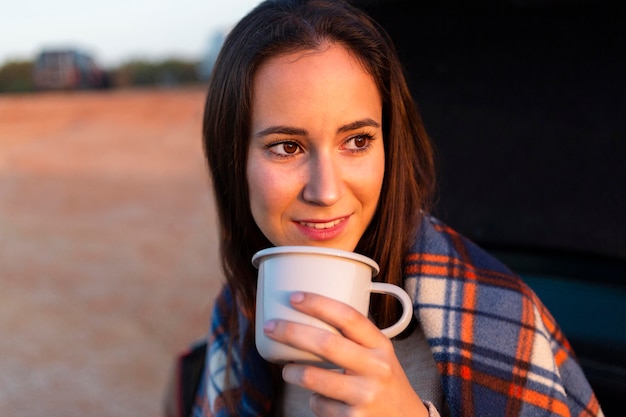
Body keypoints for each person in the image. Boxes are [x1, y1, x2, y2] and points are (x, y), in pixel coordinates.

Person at [188, 0, 603, 416]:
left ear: (390, 143)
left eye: (357, 141)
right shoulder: (237, 311)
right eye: (287, 147)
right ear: (233, 159)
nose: (327, 191)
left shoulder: (501, 322)